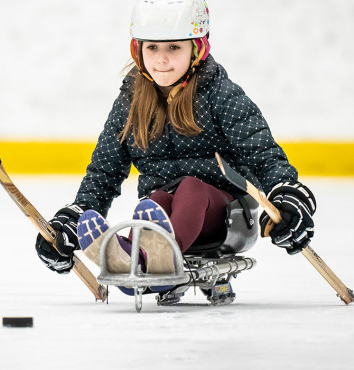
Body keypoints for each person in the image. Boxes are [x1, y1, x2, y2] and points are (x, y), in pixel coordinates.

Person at [35, 0, 316, 290]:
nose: (161, 60)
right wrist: (74, 217)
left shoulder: (221, 95)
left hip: (228, 218)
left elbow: (263, 154)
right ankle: (133, 257)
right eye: (152, 47)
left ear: (197, 48)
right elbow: (104, 171)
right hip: (168, 210)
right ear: (138, 49)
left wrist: (288, 196)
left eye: (174, 47)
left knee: (191, 188)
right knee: (154, 200)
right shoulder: (131, 102)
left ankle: (157, 260)